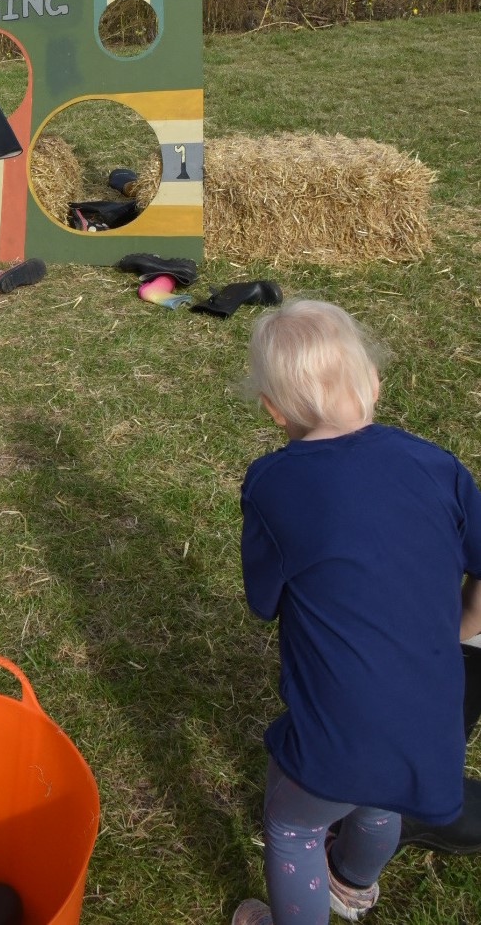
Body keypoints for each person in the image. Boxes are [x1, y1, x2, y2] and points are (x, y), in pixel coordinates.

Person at [232, 299, 481, 925]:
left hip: (340, 730)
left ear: (273, 408)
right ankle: (352, 885)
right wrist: (460, 628)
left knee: (292, 825)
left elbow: (263, 600)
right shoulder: (440, 467)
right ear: (373, 380)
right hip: (430, 719)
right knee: (378, 799)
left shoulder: (272, 483)